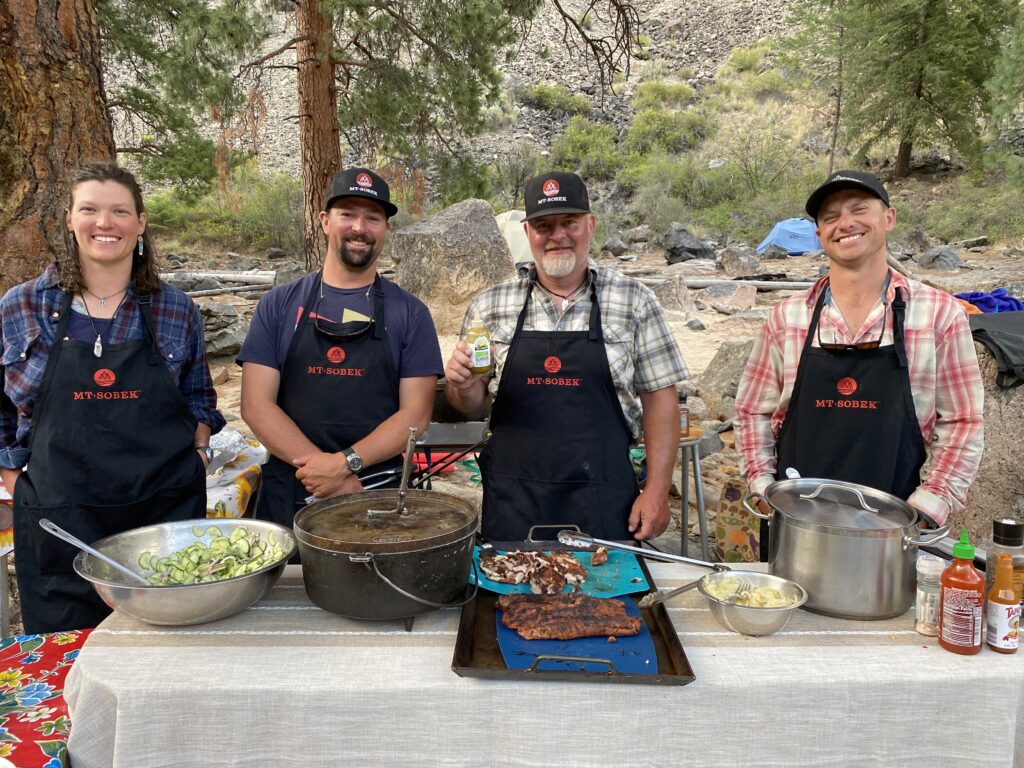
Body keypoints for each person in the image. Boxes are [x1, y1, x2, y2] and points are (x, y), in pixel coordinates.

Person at [0, 162, 224, 633]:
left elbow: (200, 398)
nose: (105, 223)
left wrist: (200, 453)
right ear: (69, 218)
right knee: (66, 660)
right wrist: (10, 476)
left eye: (120, 211)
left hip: (162, 517)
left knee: (168, 653)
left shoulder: (175, 309)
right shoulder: (21, 305)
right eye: (90, 210)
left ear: (140, 223)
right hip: (60, 521)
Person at [734, 170, 984, 542]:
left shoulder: (939, 314)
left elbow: (963, 421)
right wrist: (763, 485)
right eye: (830, 217)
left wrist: (929, 506)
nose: (845, 223)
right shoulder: (787, 317)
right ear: (819, 235)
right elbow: (752, 410)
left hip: (898, 533)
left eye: (859, 209)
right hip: (796, 527)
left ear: (889, 218)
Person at [444, 172, 687, 541]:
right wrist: (462, 387)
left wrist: (656, 491)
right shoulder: (489, 306)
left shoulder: (635, 300)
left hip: (605, 498)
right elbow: (472, 405)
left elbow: (660, 400)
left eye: (569, 222)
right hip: (514, 501)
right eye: (543, 225)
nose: (557, 235)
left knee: (610, 599)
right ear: (527, 234)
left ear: (590, 226)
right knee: (512, 599)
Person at [238, 168, 442, 526]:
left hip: (376, 492)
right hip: (293, 490)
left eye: (373, 218)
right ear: (325, 221)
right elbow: (256, 404)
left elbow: (416, 415)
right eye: (347, 214)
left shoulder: (410, 313)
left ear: (386, 229)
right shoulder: (278, 305)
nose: (360, 227)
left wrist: (346, 464)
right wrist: (325, 474)